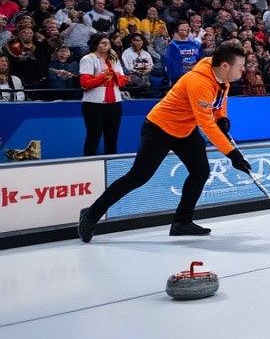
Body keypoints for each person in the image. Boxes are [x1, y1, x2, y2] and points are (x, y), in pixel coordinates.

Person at [78, 41, 250, 242]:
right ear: (225, 66)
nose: (243, 70)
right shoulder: (199, 82)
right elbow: (207, 125)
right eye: (241, 66)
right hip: (160, 128)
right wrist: (232, 154)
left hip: (184, 130)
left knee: (200, 171)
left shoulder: (222, 79)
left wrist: (222, 118)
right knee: (138, 176)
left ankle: (182, 222)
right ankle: (91, 214)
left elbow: (219, 104)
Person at [79, 34, 128, 154]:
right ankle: (88, 163)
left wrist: (117, 76)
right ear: (96, 45)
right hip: (94, 103)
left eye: (108, 43)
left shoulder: (114, 59)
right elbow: (85, 84)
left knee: (112, 138)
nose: (107, 46)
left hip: (115, 102)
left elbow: (122, 80)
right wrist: (103, 76)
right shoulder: (88, 59)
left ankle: (111, 163)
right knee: (93, 136)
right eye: (103, 43)